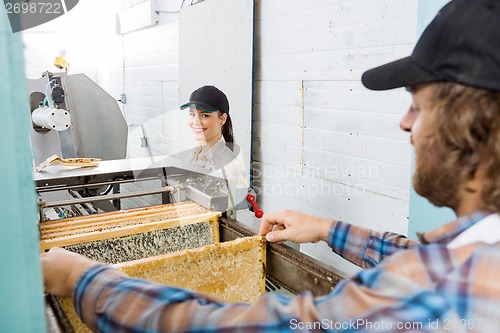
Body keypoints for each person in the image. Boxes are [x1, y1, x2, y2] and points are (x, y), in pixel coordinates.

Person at [41, 0, 500, 332]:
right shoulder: (475, 252)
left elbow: (247, 326)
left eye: (419, 107)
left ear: (477, 122)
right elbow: (415, 257)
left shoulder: (443, 285)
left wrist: (85, 280)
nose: (404, 123)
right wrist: (325, 227)